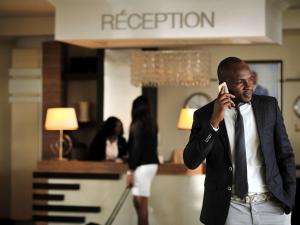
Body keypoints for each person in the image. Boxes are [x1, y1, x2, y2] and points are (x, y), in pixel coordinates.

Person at [183, 57, 296, 225]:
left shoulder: (269, 106)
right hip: (229, 209)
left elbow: (285, 154)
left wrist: (289, 197)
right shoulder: (204, 115)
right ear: (223, 85)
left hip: (273, 207)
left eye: (250, 79)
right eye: (240, 82)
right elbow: (191, 161)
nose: (249, 85)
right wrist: (214, 123)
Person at [126, 96, 159, 225]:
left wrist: (130, 171)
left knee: (142, 204)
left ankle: (144, 219)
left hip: (142, 167)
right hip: (151, 165)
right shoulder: (152, 124)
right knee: (138, 201)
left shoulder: (137, 124)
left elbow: (136, 149)